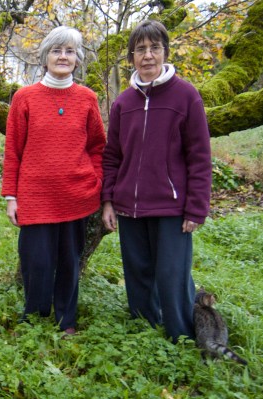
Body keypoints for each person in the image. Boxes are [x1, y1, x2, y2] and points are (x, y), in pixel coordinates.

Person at [101, 20, 212, 343]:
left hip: (171, 207)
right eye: (140, 50)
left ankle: (181, 335)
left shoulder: (186, 95)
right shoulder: (123, 103)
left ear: (164, 51)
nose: (147, 56)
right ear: (132, 56)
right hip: (129, 207)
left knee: (171, 275)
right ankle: (143, 330)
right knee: (138, 273)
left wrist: (196, 208)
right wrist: (108, 200)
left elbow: (200, 157)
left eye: (154, 48)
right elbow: (112, 156)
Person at [1, 26, 106, 337]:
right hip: (34, 198)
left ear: (77, 58)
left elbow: (98, 146)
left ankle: (66, 320)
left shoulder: (87, 98)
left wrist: (96, 181)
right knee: (36, 262)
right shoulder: (24, 98)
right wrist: (11, 196)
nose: (63, 56)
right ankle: (34, 317)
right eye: (56, 51)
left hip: (76, 197)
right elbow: (13, 149)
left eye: (70, 51)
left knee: (70, 263)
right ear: (44, 57)